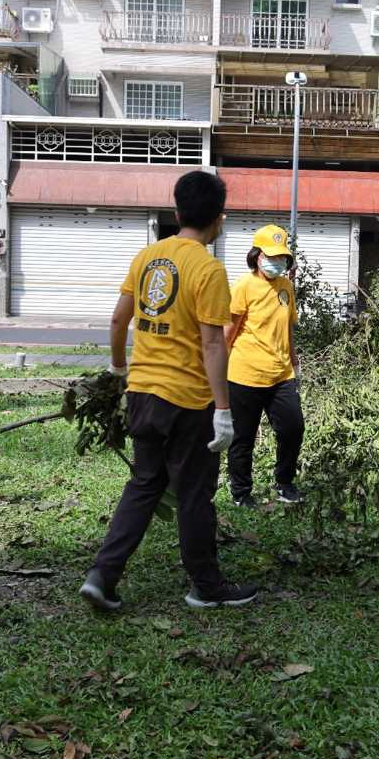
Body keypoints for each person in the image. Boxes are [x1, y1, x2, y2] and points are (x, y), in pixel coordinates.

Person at [80, 171, 258, 611]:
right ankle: (206, 586)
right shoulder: (209, 269)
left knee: (144, 482)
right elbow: (213, 342)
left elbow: (119, 320)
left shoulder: (147, 257)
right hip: (188, 402)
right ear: (220, 218)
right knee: (195, 493)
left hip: (142, 393)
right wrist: (223, 408)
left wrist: (120, 369)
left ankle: (103, 575)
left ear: (177, 212)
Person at [223, 224, 304, 508]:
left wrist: (294, 360)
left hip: (282, 374)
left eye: (282, 256)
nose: (276, 261)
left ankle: (284, 483)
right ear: (256, 255)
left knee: (293, 428)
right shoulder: (243, 287)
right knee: (243, 438)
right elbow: (228, 332)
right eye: (271, 256)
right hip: (245, 374)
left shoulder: (286, 287)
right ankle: (241, 493)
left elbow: (288, 327)